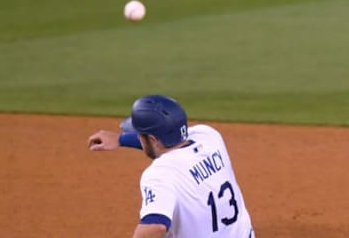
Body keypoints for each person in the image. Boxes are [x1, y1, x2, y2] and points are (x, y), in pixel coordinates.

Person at [88, 94, 255, 238]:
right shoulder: (209, 136)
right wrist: (120, 139)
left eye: (140, 135)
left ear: (152, 139)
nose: (138, 137)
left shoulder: (160, 174)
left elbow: (155, 227)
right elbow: (171, 141)